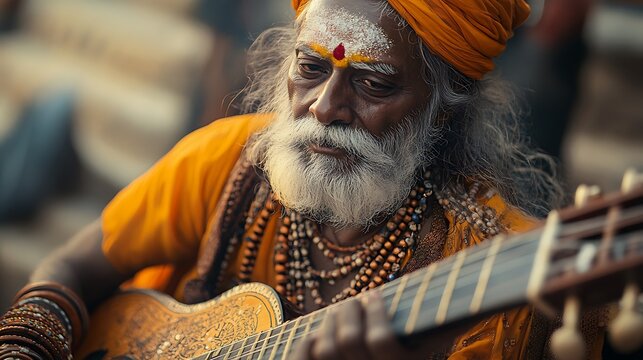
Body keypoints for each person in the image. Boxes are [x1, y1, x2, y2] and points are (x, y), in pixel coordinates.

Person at [1, 0, 605, 359]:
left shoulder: (495, 278)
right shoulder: (225, 161)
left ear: (443, 106)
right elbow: (73, 269)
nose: (323, 106)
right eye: (310, 69)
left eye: (371, 84)